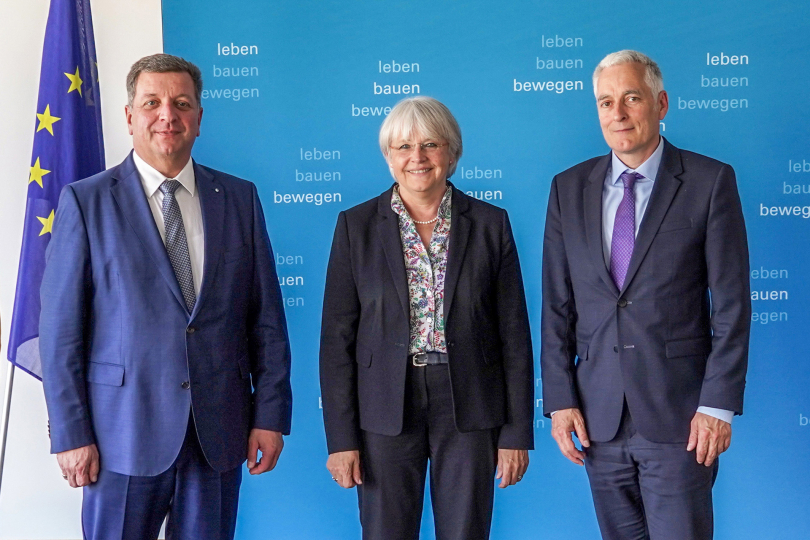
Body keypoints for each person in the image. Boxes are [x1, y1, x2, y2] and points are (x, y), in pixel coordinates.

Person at [39, 53, 292, 540]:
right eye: (151, 102)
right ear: (130, 115)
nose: (167, 115)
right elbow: (61, 334)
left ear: (199, 118)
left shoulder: (239, 199)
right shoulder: (86, 202)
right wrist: (71, 434)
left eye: (181, 103)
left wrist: (270, 415)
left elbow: (266, 322)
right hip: (119, 438)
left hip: (217, 435)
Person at [541, 50, 751, 540]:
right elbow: (556, 305)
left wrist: (716, 406)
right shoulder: (567, 188)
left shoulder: (709, 181)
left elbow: (733, 304)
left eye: (631, 98)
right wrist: (559, 400)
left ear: (660, 103)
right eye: (605, 102)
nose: (618, 113)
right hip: (597, 418)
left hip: (680, 417)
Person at [320, 96, 534, 540]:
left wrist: (516, 434)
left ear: (452, 153)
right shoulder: (355, 227)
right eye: (402, 147)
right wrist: (341, 441)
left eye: (430, 145)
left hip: (470, 404)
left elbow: (514, 335)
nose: (416, 158)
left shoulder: (491, 224)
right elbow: (336, 342)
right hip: (384, 408)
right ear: (388, 157)